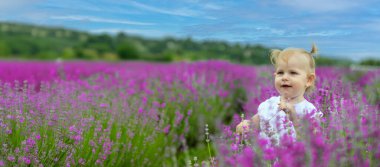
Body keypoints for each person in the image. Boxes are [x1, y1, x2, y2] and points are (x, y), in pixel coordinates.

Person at [236, 44, 323, 146]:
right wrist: (245, 126)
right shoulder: (269, 104)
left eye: (293, 73)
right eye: (280, 72)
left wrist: (294, 117)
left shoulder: (309, 111)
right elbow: (255, 123)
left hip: (292, 160)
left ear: (308, 80)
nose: (284, 77)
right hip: (265, 159)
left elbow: (312, 142)